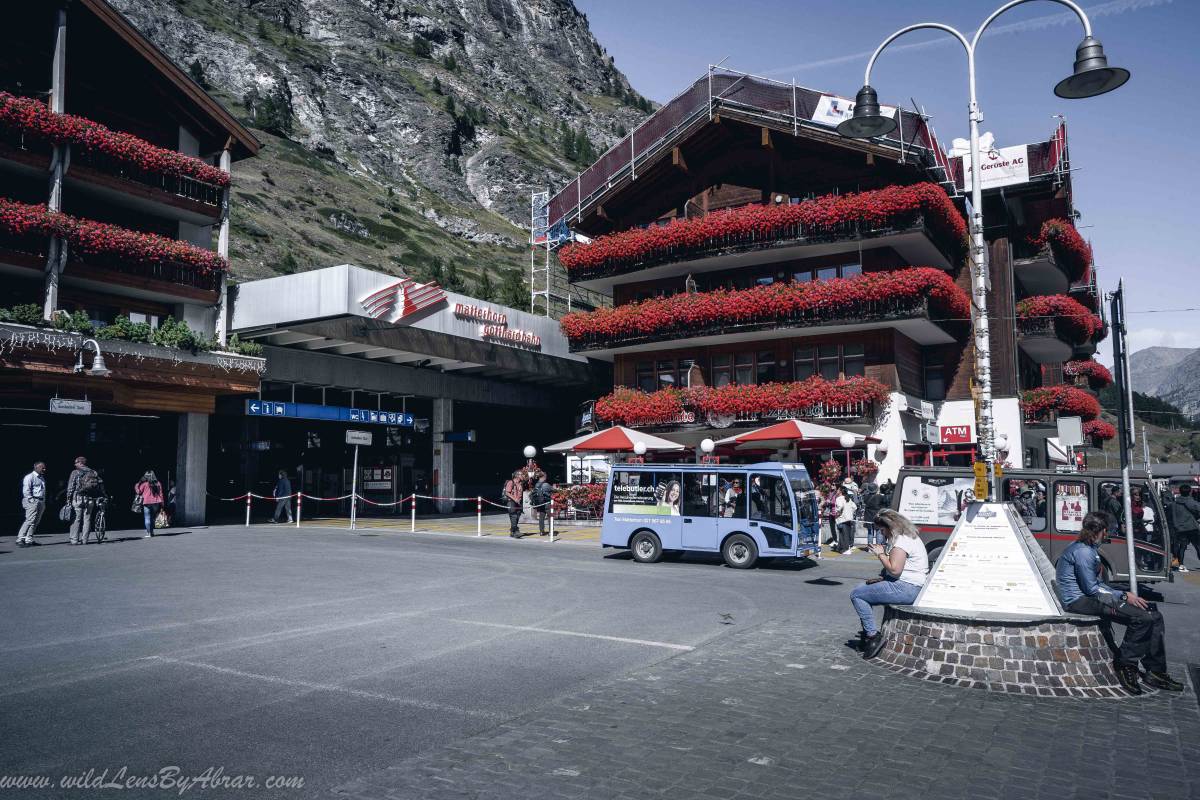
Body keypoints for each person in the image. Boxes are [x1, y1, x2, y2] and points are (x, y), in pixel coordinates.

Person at [1056, 511, 1183, 695]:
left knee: (1153, 615)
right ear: (1102, 530)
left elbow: (1097, 585)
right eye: (1108, 531)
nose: (1108, 535)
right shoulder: (1083, 552)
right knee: (1142, 618)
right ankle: (1125, 665)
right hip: (1080, 601)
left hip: (1091, 596)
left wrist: (1122, 595)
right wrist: (1123, 596)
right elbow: (1092, 589)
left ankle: (1156, 671)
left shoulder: (1088, 548)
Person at [850, 509, 929, 659]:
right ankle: (867, 633)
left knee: (857, 595)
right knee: (861, 589)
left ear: (890, 527)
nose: (882, 534)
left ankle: (872, 637)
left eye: (882, 530)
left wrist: (880, 554)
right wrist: (882, 578)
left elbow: (895, 569)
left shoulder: (900, 541)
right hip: (909, 585)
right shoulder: (906, 536)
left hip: (906, 588)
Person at [66, 456, 105, 545]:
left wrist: (68, 498)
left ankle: (74, 540)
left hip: (78, 498)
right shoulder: (93, 472)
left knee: (76, 519)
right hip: (90, 499)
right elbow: (100, 485)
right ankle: (85, 540)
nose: (74, 464)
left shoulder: (75, 472)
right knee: (87, 519)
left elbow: (71, 487)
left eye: (76, 462)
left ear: (80, 463)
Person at [1169, 484, 1200, 573]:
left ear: (1180, 491)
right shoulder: (1191, 502)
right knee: (1198, 546)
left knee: (1182, 547)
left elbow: (1172, 515)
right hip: (1192, 527)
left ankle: (1181, 565)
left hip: (1180, 528)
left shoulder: (1174, 503)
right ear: (1190, 492)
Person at [16, 461, 46, 547]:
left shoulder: (41, 478)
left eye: (44, 467)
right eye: (42, 468)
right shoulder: (29, 477)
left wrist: (43, 501)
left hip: (40, 501)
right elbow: (26, 490)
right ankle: (20, 538)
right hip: (32, 501)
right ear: (36, 467)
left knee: (35, 521)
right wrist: (31, 500)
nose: (44, 469)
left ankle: (29, 539)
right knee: (29, 520)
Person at [134, 471, 164, 539]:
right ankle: (152, 531)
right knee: (153, 518)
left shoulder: (144, 484)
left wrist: (136, 486)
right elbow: (161, 494)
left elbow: (139, 492)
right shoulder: (158, 483)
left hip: (146, 502)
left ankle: (149, 533)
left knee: (147, 518)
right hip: (156, 502)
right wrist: (162, 503)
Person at [860, 482, 884, 547]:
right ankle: (878, 546)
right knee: (879, 532)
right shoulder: (880, 497)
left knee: (870, 532)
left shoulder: (865, 496)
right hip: (877, 515)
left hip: (868, 516)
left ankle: (870, 547)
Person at [835, 485, 858, 553]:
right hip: (849, 518)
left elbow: (840, 506)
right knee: (846, 534)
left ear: (840, 491)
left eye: (838, 490)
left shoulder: (839, 498)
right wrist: (850, 512)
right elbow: (855, 507)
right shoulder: (848, 498)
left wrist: (838, 513)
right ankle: (840, 548)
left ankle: (845, 549)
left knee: (842, 534)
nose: (837, 491)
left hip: (842, 519)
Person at [822, 486, 844, 551]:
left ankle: (841, 541)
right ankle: (835, 540)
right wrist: (827, 502)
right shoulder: (831, 493)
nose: (832, 486)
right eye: (832, 484)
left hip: (837, 513)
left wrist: (830, 502)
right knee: (832, 527)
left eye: (834, 485)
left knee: (839, 527)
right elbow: (828, 501)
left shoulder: (838, 495)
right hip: (831, 513)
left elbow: (838, 503)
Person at [503, 470, 524, 538]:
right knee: (513, 516)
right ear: (517, 476)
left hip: (518, 502)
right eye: (521, 474)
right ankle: (515, 532)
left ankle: (512, 531)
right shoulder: (510, 482)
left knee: (517, 516)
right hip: (511, 501)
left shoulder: (520, 483)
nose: (522, 475)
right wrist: (515, 499)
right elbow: (507, 492)